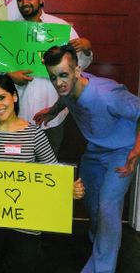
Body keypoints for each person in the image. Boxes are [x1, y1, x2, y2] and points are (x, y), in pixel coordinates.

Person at [0, 74, 84, 273]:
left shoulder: (34, 134)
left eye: (2, 98)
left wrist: (71, 188)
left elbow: (53, 174)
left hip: (25, 223)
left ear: (14, 97)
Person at [34, 45, 140, 273]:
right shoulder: (68, 88)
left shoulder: (107, 94)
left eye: (63, 75)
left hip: (122, 152)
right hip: (95, 151)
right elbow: (66, 99)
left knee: (108, 207)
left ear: (77, 71)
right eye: (53, 77)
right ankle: (101, 240)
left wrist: (137, 149)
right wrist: (52, 111)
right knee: (92, 204)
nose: (59, 83)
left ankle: (102, 267)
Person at [9, 0, 93, 156]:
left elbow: (79, 66)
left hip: (53, 112)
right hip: (18, 112)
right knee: (20, 160)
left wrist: (86, 49)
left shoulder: (60, 28)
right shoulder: (10, 30)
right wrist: (9, 75)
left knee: (49, 163)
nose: (24, 3)